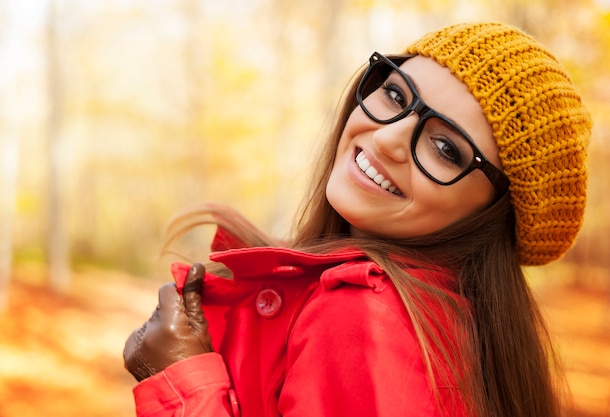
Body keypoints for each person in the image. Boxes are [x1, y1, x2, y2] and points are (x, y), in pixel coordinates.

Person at [123, 22, 591, 417]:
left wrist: (179, 379)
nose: (388, 138)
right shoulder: (455, 327)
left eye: (445, 148)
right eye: (394, 94)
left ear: (490, 214)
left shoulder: (363, 314)